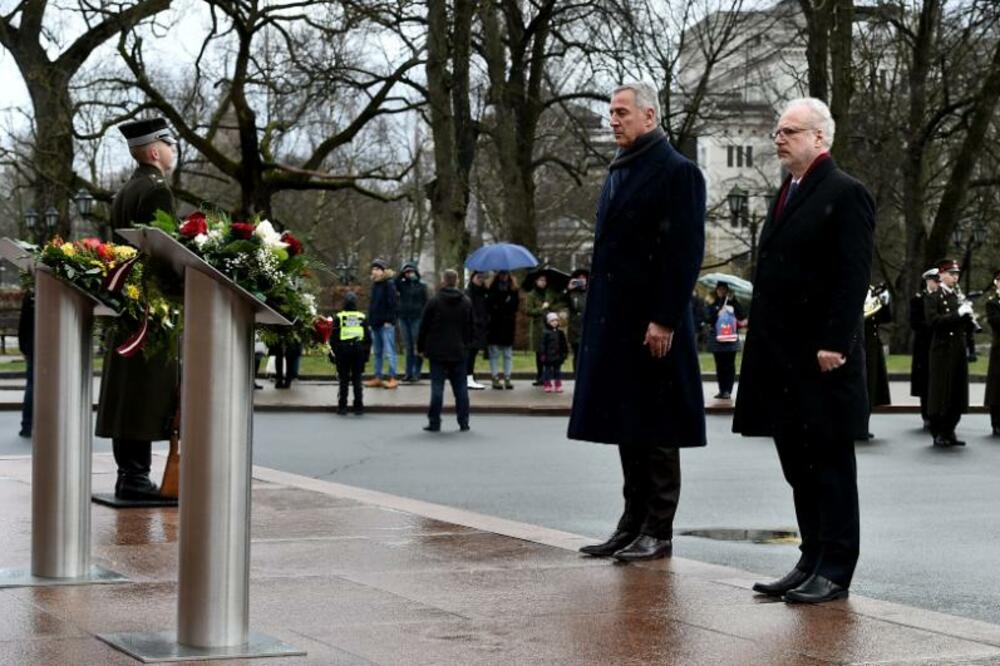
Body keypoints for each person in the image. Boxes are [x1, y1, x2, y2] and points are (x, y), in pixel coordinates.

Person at [733, 97, 875, 604]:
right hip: (782, 358)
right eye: (777, 131)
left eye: (790, 131)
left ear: (820, 138)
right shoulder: (787, 191)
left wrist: (836, 341)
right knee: (799, 465)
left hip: (821, 357)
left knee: (829, 465)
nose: (779, 138)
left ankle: (835, 568)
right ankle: (810, 557)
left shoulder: (846, 192)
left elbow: (852, 274)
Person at [570, 82, 706, 563]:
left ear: (649, 117)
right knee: (630, 426)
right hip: (621, 323)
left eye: (622, 112)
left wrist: (665, 319)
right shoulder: (619, 169)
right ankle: (630, 524)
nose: (613, 119)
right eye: (610, 111)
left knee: (659, 428)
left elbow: (685, 252)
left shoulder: (677, 172)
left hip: (655, 326)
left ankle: (658, 530)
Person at [95, 117, 180, 501]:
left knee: (128, 390)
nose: (173, 152)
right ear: (153, 151)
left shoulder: (125, 190)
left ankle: (128, 474)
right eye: (170, 145)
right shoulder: (157, 190)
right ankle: (135, 477)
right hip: (150, 304)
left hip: (127, 299)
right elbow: (162, 252)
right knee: (145, 390)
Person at [925, 259, 974, 447]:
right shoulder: (933, 296)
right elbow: (933, 322)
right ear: (942, 275)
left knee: (956, 390)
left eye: (957, 274)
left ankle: (950, 429)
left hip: (957, 350)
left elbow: (964, 326)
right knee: (940, 391)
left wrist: (969, 316)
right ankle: (938, 431)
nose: (955, 277)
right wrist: (958, 314)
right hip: (942, 350)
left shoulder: (956, 297)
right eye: (952, 274)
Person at [417, 269, 473, 432]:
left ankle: (435, 421)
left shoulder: (434, 301)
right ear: (456, 281)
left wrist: (421, 347)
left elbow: (424, 326)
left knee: (437, 388)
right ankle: (463, 422)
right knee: (461, 389)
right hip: (459, 350)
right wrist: (467, 345)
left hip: (437, 350)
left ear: (443, 280)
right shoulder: (466, 302)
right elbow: (470, 327)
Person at [704, 281, 746, 400]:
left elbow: (742, 316)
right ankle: (722, 390)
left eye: (724, 289)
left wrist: (734, 303)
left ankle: (728, 390)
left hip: (731, 339)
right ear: (716, 290)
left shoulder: (733, 302)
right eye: (719, 289)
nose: (721, 291)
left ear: (727, 290)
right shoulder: (713, 303)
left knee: (729, 365)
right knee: (719, 365)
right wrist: (718, 313)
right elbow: (708, 319)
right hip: (717, 339)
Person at [331, 291, 371, 415]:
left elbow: (333, 338)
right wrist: (366, 355)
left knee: (343, 379)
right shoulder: (362, 317)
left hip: (343, 350)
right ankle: (358, 407)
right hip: (358, 350)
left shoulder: (339, 317)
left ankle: (342, 406)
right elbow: (368, 338)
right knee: (357, 379)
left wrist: (334, 354)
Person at [861, 285, 892, 438]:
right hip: (859, 344)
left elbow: (885, 319)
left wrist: (885, 303)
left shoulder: (871, 292)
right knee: (860, 386)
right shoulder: (855, 290)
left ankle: (864, 424)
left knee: (871, 385)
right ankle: (857, 425)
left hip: (873, 346)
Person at [910, 269, 940, 428]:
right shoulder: (918, 299)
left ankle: (938, 413)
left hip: (939, 343)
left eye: (938, 280)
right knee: (925, 380)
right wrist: (935, 325)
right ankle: (926, 414)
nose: (937, 283)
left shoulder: (942, 298)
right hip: (924, 344)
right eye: (934, 280)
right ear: (927, 280)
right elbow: (915, 323)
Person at [365, 259, 399, 389]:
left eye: (377, 269)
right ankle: (378, 377)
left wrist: (389, 320)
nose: (374, 271)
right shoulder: (375, 285)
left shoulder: (389, 284)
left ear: (383, 271)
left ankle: (393, 377)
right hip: (376, 323)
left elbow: (393, 304)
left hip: (386, 324)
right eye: (373, 269)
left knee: (389, 351)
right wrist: (371, 321)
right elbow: (373, 306)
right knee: (378, 352)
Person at [525, 273, 564, 386]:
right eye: (541, 280)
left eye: (545, 281)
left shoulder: (549, 294)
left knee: (550, 352)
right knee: (540, 353)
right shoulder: (531, 295)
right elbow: (528, 311)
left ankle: (547, 376)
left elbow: (557, 304)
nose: (543, 282)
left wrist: (552, 308)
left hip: (550, 327)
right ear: (536, 281)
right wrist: (542, 308)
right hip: (538, 328)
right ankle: (540, 376)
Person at [486, 270, 519, 389]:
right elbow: (489, 305)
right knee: (494, 352)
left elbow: (515, 306)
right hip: (494, 325)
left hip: (508, 325)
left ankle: (507, 377)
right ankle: (495, 377)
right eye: (502, 273)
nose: (504, 276)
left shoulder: (514, 289)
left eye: (506, 274)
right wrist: (501, 304)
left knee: (507, 353)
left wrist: (504, 305)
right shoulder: (491, 288)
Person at [395, 261, 428, 382]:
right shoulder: (402, 285)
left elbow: (425, 303)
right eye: (407, 272)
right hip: (404, 318)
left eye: (411, 271)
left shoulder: (421, 286)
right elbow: (395, 283)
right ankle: (408, 372)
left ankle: (416, 372)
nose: (409, 274)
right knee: (408, 347)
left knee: (417, 346)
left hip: (417, 318)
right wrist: (402, 274)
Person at [465, 271, 489, 390]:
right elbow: (469, 309)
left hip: (481, 326)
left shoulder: (484, 292)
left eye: (482, 277)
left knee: (473, 353)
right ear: (473, 278)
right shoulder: (469, 292)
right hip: (472, 326)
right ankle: (468, 377)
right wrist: (476, 320)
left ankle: (470, 376)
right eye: (478, 277)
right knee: (470, 352)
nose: (480, 279)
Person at [986, 268, 1000, 437]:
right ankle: (996, 422)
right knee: (997, 387)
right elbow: (995, 322)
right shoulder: (993, 302)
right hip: (999, 349)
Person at [566, 269, 589, 374]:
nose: (581, 280)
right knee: (577, 354)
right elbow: (562, 302)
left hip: (588, 328)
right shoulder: (572, 293)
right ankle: (577, 377)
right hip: (575, 329)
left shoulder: (590, 292)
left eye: (583, 278)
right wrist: (568, 289)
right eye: (578, 278)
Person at [17, 288, 33, 438]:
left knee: (32, 385)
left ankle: (27, 425)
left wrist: (23, 346)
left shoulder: (33, 291)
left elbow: (24, 322)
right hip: (54, 342)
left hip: (33, 344)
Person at [539, 312, 569, 393]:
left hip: (558, 356)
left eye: (556, 320)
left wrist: (565, 354)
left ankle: (558, 385)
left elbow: (564, 344)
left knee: (558, 371)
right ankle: (547, 384)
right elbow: (542, 344)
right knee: (547, 371)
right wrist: (542, 354)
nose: (555, 322)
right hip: (548, 356)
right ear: (548, 322)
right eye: (552, 321)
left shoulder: (560, 333)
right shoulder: (545, 333)